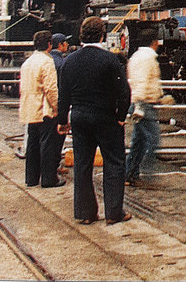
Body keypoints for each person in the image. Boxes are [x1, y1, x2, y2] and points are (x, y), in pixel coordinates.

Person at [57, 16, 131, 225]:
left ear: (81, 35)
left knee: (82, 163)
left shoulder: (69, 61)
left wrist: (63, 120)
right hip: (106, 117)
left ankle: (85, 212)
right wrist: (120, 117)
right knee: (114, 163)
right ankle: (114, 213)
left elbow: (64, 95)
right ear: (103, 35)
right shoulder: (110, 60)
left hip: (79, 117)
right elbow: (124, 92)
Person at [19, 30, 64, 189]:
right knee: (48, 145)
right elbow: (51, 89)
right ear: (49, 44)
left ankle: (31, 178)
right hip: (45, 109)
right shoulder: (47, 62)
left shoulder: (27, 62)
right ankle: (49, 179)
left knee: (32, 144)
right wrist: (58, 109)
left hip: (30, 109)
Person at [125, 29, 164, 186]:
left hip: (140, 103)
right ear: (154, 42)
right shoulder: (147, 58)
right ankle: (148, 176)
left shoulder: (136, 56)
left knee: (139, 142)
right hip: (143, 104)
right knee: (153, 141)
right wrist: (140, 105)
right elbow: (141, 81)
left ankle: (130, 174)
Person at [49, 32, 70, 171]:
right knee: (58, 137)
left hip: (47, 105)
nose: (67, 45)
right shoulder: (62, 63)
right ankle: (55, 165)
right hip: (57, 103)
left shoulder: (48, 59)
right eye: (65, 42)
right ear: (60, 45)